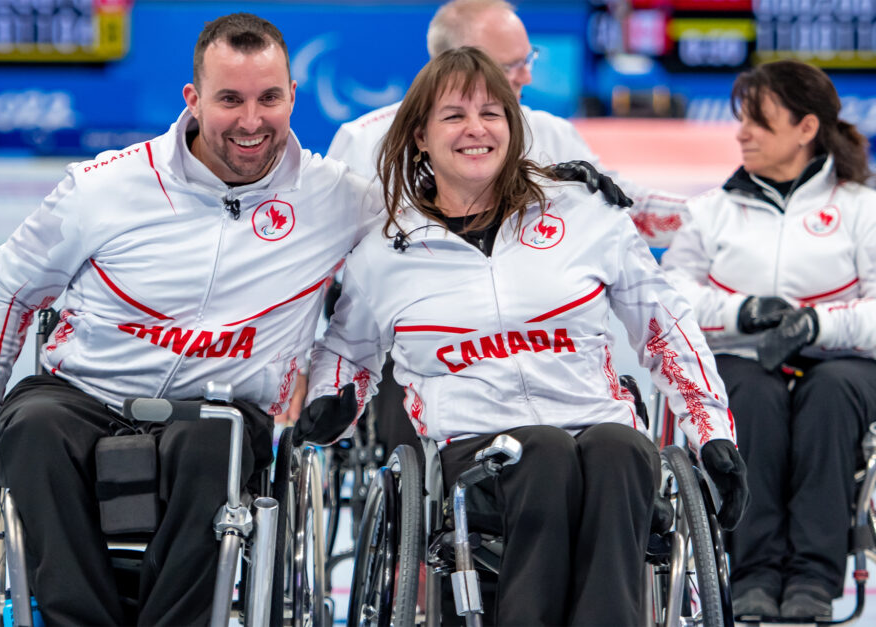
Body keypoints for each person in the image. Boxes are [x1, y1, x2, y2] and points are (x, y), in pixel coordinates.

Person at [0, 13, 381, 625]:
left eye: (269, 99)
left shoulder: (343, 200)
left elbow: (400, 279)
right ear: (194, 99)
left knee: (214, 447)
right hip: (84, 394)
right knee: (33, 427)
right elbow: (7, 291)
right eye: (230, 99)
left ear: (292, 98)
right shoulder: (105, 186)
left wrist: (337, 383)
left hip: (221, 411)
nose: (252, 121)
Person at [294, 46, 749, 626]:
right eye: (453, 116)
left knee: (622, 447)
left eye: (492, 113)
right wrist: (332, 402)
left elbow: (666, 329)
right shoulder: (386, 250)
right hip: (480, 449)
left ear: (514, 128)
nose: (476, 129)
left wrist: (713, 433)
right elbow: (347, 350)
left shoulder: (583, 214)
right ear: (419, 138)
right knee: (545, 452)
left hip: (596, 427)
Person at [661, 59, 876, 620]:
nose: (741, 133)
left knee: (828, 395)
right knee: (749, 395)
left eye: (759, 121)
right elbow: (670, 299)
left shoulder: (862, 207)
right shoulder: (711, 212)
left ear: (806, 128)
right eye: (741, 119)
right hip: (743, 358)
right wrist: (746, 312)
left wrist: (815, 324)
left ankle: (813, 577)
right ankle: (752, 572)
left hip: (843, 363)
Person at [327, 0, 687, 249]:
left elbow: (625, 207)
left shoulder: (550, 133)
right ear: (456, 62)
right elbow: (328, 251)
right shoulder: (365, 141)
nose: (527, 76)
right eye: (510, 66)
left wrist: (719, 216)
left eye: (528, 59)